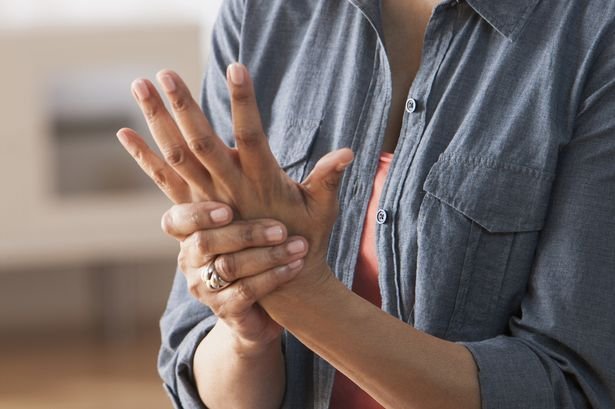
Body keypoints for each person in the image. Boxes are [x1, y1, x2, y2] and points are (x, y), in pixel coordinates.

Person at [116, 0, 615, 407]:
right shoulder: (262, 12)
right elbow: (200, 363)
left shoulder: (596, 31)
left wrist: (303, 297)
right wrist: (246, 335)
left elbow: (573, 388)